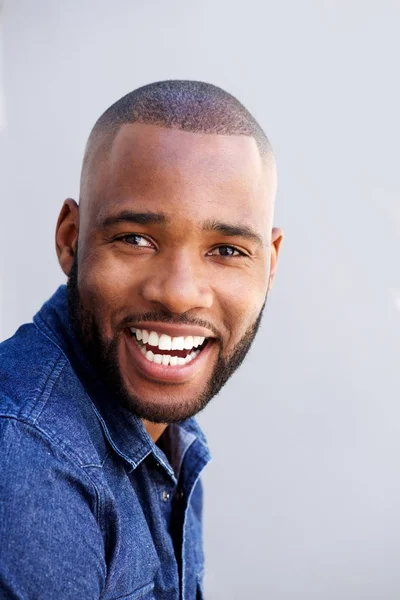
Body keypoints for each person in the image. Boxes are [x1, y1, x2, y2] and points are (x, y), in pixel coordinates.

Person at [0, 80, 283, 600]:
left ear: (270, 264)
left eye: (226, 250)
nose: (177, 295)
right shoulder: (27, 462)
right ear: (71, 239)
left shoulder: (168, 433)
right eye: (135, 239)